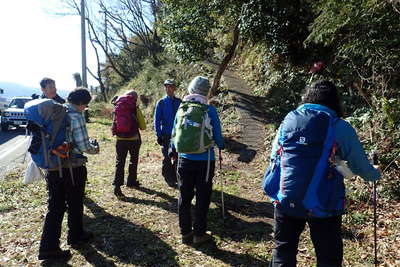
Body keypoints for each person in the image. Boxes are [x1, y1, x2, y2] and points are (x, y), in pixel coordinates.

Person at [268, 80, 381, 267]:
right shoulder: (339, 126)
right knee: (328, 257)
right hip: (324, 204)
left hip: (287, 198)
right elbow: (360, 165)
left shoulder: (288, 120)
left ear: (306, 97)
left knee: (283, 251)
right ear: (334, 102)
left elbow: (274, 158)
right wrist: (374, 174)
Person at [38, 88, 99, 260]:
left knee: (55, 207)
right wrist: (95, 148)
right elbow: (84, 146)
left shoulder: (57, 111)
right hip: (72, 167)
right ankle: (76, 235)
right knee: (75, 201)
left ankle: (48, 247)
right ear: (80, 103)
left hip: (53, 165)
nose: (85, 108)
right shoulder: (75, 116)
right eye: (86, 105)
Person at [171, 76, 224, 245]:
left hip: (184, 159)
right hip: (205, 161)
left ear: (191, 89)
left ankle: (185, 233)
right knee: (203, 197)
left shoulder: (182, 107)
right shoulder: (209, 110)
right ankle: (199, 234)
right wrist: (220, 145)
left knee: (184, 196)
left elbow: (174, 134)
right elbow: (219, 138)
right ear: (206, 92)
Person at [112, 90, 146, 197]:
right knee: (133, 160)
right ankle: (131, 181)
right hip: (134, 139)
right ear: (135, 99)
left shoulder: (118, 106)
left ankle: (117, 186)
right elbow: (143, 126)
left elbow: (114, 122)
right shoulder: (134, 108)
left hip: (120, 139)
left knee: (120, 162)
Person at [154, 79, 182, 187]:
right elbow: (156, 120)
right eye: (166, 87)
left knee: (177, 156)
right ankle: (168, 178)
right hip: (166, 134)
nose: (168, 89)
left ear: (174, 88)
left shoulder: (179, 102)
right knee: (166, 156)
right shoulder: (161, 102)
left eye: (170, 87)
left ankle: (176, 177)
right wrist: (158, 135)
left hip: (178, 135)